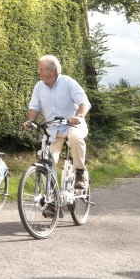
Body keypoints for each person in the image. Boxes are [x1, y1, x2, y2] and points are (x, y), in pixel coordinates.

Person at [23, 55, 91, 189]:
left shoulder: (68, 82)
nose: (38, 72)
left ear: (52, 71)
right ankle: (51, 198)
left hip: (73, 124)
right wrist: (31, 121)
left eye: (41, 69)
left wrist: (79, 116)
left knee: (75, 137)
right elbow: (34, 107)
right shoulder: (39, 87)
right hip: (53, 129)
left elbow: (84, 102)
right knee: (45, 161)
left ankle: (80, 172)